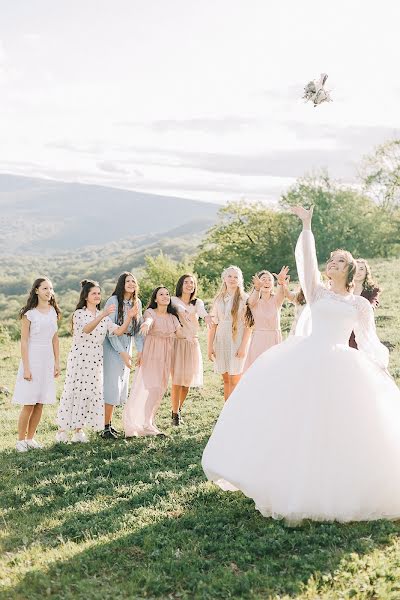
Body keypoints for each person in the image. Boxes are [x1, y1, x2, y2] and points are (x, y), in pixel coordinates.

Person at [202, 205, 400, 524]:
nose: (331, 263)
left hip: (343, 367)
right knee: (300, 421)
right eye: (331, 259)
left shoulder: (360, 305)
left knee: (343, 425)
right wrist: (306, 226)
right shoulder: (318, 294)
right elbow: (307, 264)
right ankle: (293, 481)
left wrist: (379, 370)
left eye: (339, 260)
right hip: (308, 360)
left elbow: (368, 342)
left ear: (350, 271)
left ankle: (340, 484)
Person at [56, 280, 135, 443]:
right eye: (94, 293)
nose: (98, 296)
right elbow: (86, 329)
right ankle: (62, 430)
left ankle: (79, 430)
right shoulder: (80, 313)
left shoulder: (103, 317)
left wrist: (129, 318)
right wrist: (103, 314)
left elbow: (118, 331)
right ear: (86, 296)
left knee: (89, 391)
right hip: (80, 357)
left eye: (99, 293)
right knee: (74, 389)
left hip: (96, 358)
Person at [123, 286, 184, 437]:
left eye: (167, 294)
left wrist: (189, 319)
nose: (165, 296)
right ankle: (146, 423)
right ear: (155, 299)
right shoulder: (150, 313)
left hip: (166, 355)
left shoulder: (173, 317)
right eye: (161, 294)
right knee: (152, 387)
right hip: (151, 353)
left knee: (160, 389)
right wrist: (146, 324)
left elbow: (181, 334)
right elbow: (148, 320)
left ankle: (148, 421)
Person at [12, 278, 61, 452]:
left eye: (51, 288)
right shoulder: (29, 314)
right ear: (36, 291)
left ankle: (31, 438)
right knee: (29, 402)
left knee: (40, 402)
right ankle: (20, 441)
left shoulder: (53, 312)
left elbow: (55, 339)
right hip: (32, 358)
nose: (49, 291)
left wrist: (57, 362)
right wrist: (26, 367)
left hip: (47, 359)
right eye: (45, 288)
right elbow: (24, 341)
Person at [102, 272, 143, 439]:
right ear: (121, 283)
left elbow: (138, 329)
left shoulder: (136, 303)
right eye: (128, 281)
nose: (131, 284)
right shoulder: (113, 301)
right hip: (113, 345)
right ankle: (105, 427)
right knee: (111, 385)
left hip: (128, 343)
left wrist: (140, 350)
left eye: (134, 281)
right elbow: (111, 332)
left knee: (120, 386)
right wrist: (122, 352)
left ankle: (110, 425)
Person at [171, 274, 211, 426]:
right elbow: (178, 308)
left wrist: (206, 317)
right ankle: (175, 414)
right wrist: (185, 312)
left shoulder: (197, 302)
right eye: (186, 282)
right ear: (181, 284)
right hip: (178, 343)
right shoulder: (174, 300)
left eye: (192, 283)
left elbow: (201, 311)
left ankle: (178, 410)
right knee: (177, 380)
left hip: (192, 343)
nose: (189, 285)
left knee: (187, 381)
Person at [207, 266, 251, 401]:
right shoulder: (218, 299)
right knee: (226, 380)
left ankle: (235, 412)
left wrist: (243, 347)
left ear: (240, 280)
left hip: (237, 340)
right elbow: (213, 325)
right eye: (229, 276)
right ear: (224, 278)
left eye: (236, 277)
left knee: (235, 379)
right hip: (221, 341)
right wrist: (210, 347)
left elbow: (249, 325)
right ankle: (226, 412)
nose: (232, 279)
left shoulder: (245, 299)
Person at [244, 267, 288, 370]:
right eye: (263, 279)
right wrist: (257, 289)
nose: (267, 282)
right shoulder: (254, 300)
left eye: (270, 280)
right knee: (259, 370)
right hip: (259, 340)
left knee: (274, 370)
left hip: (275, 339)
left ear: (273, 284)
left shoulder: (276, 300)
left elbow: (281, 294)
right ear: (258, 282)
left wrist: (281, 283)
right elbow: (251, 302)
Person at [349, 259, 381, 349]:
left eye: (362, 269)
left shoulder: (373, 290)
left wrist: (366, 309)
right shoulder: (345, 289)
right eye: (356, 269)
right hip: (346, 327)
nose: (358, 272)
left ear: (366, 271)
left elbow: (374, 303)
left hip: (363, 327)